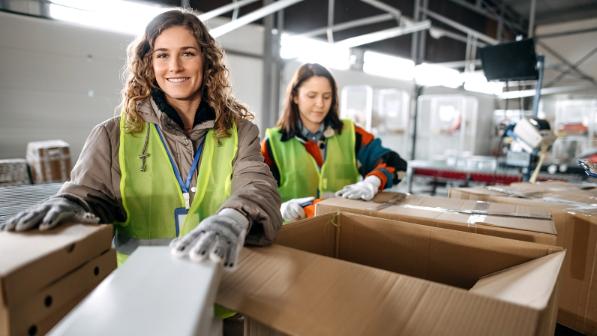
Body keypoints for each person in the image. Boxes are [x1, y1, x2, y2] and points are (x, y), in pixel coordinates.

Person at [2, 9, 282, 270]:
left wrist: (233, 218)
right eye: (162, 55)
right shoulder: (112, 136)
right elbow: (90, 193)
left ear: (206, 61)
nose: (174, 67)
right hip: (139, 290)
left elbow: (257, 185)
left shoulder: (239, 132)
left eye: (187, 53)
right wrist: (71, 203)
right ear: (149, 63)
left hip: (219, 291)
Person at [261, 63, 407, 222]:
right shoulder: (273, 144)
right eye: (312, 96)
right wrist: (279, 208)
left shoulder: (351, 134)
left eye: (326, 96)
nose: (320, 104)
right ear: (295, 96)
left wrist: (372, 182)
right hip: (293, 233)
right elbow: (255, 192)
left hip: (342, 229)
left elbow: (396, 164)